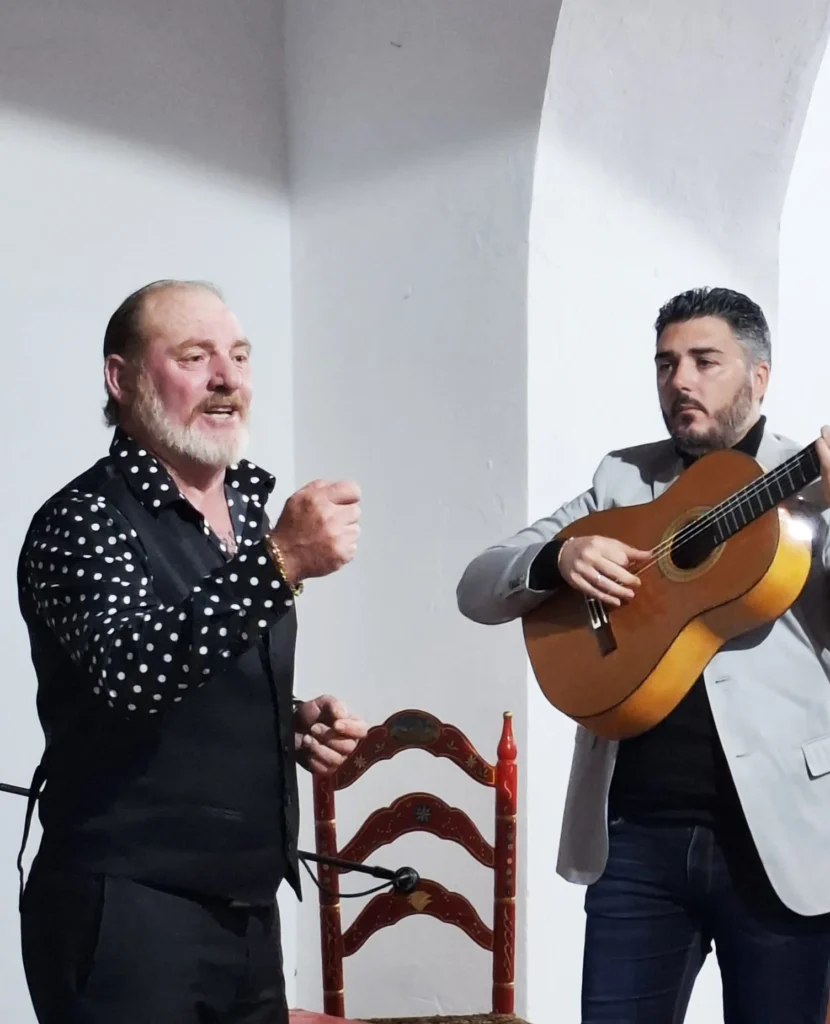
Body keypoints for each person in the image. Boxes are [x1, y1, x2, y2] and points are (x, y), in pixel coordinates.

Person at [456, 287, 830, 1023]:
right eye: (665, 363)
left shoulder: (812, 486)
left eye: (703, 361)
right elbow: (477, 585)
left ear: (758, 376)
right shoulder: (620, 480)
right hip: (637, 841)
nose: (679, 381)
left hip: (782, 838)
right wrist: (559, 557)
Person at [16, 279, 368, 1024]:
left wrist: (290, 720)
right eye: (195, 355)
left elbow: (197, 668)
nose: (227, 379)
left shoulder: (243, 510)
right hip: (126, 915)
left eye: (239, 356)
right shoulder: (80, 521)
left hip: (247, 911)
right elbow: (132, 675)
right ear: (123, 378)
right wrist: (280, 561)